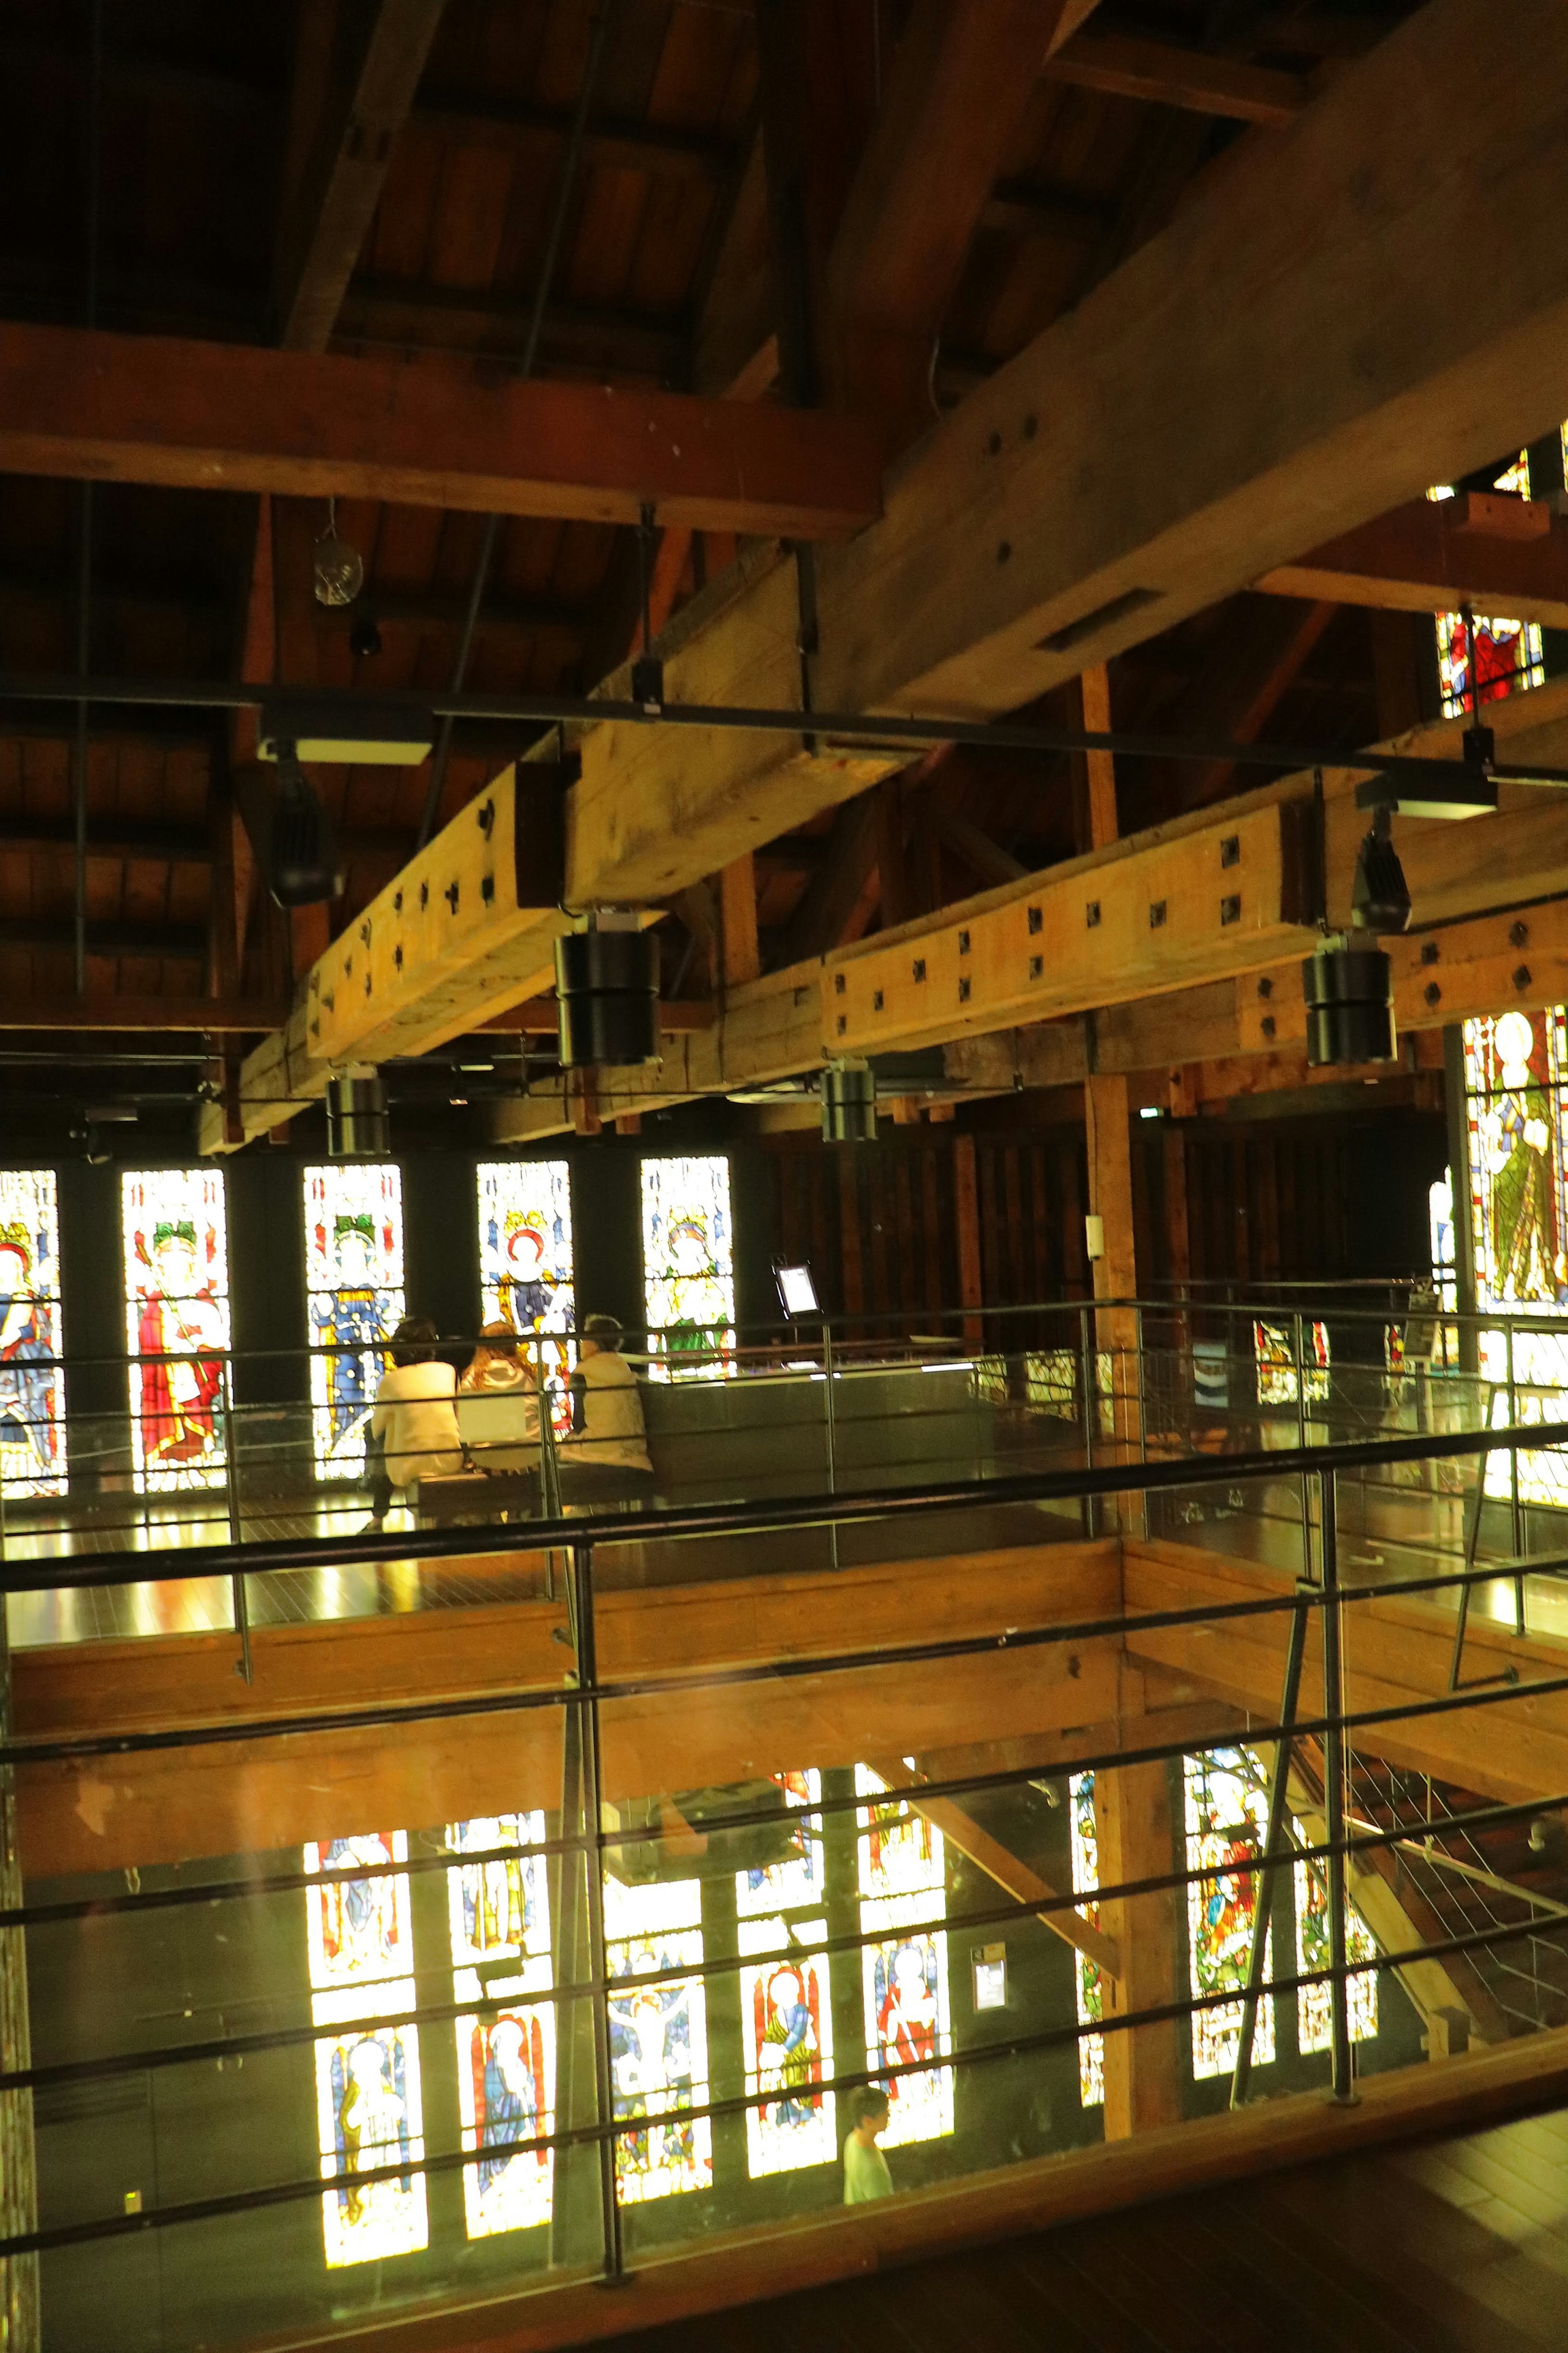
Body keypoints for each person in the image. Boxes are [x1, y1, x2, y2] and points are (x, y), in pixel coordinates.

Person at [368, 1316, 463, 1515]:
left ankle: (376, 1500)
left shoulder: (391, 1382)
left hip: (406, 1467)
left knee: (372, 1429)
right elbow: (459, 1415)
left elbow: (377, 1429)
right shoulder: (449, 1371)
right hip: (450, 1460)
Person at [565, 1314, 653, 1478]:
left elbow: (579, 1423)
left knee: (563, 1450)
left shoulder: (583, 1373)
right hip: (633, 1446)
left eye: (585, 1339)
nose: (582, 1344)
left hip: (601, 1447)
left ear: (594, 1343)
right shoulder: (623, 1367)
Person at [842, 2086, 893, 2205]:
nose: (888, 2115)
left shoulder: (851, 2141)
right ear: (868, 2121)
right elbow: (883, 2213)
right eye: (884, 2112)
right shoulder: (873, 2170)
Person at [461, 1323, 537, 1394]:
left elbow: (463, 1406)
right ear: (512, 1344)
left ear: (482, 1345)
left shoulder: (472, 1379)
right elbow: (533, 1406)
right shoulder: (525, 1377)